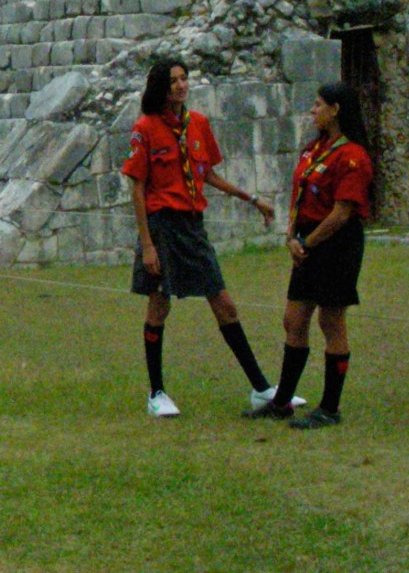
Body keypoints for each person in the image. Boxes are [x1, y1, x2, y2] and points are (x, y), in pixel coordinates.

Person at [121, 58, 298, 418]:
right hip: (162, 226)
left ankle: (261, 389)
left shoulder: (197, 123)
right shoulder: (146, 128)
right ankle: (156, 393)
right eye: (173, 81)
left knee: (224, 303)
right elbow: (137, 187)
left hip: (192, 226)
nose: (181, 86)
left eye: (184, 79)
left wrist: (252, 200)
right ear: (160, 86)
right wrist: (148, 244)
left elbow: (209, 175)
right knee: (159, 305)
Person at [247, 81, 373, 429]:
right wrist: (291, 234)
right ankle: (282, 401)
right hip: (307, 241)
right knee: (294, 319)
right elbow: (300, 192)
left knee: (331, 321)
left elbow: (342, 212)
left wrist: (308, 242)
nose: (313, 110)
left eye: (319, 105)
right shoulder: (314, 149)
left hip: (335, 245)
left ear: (336, 110)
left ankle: (329, 408)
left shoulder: (353, 156)